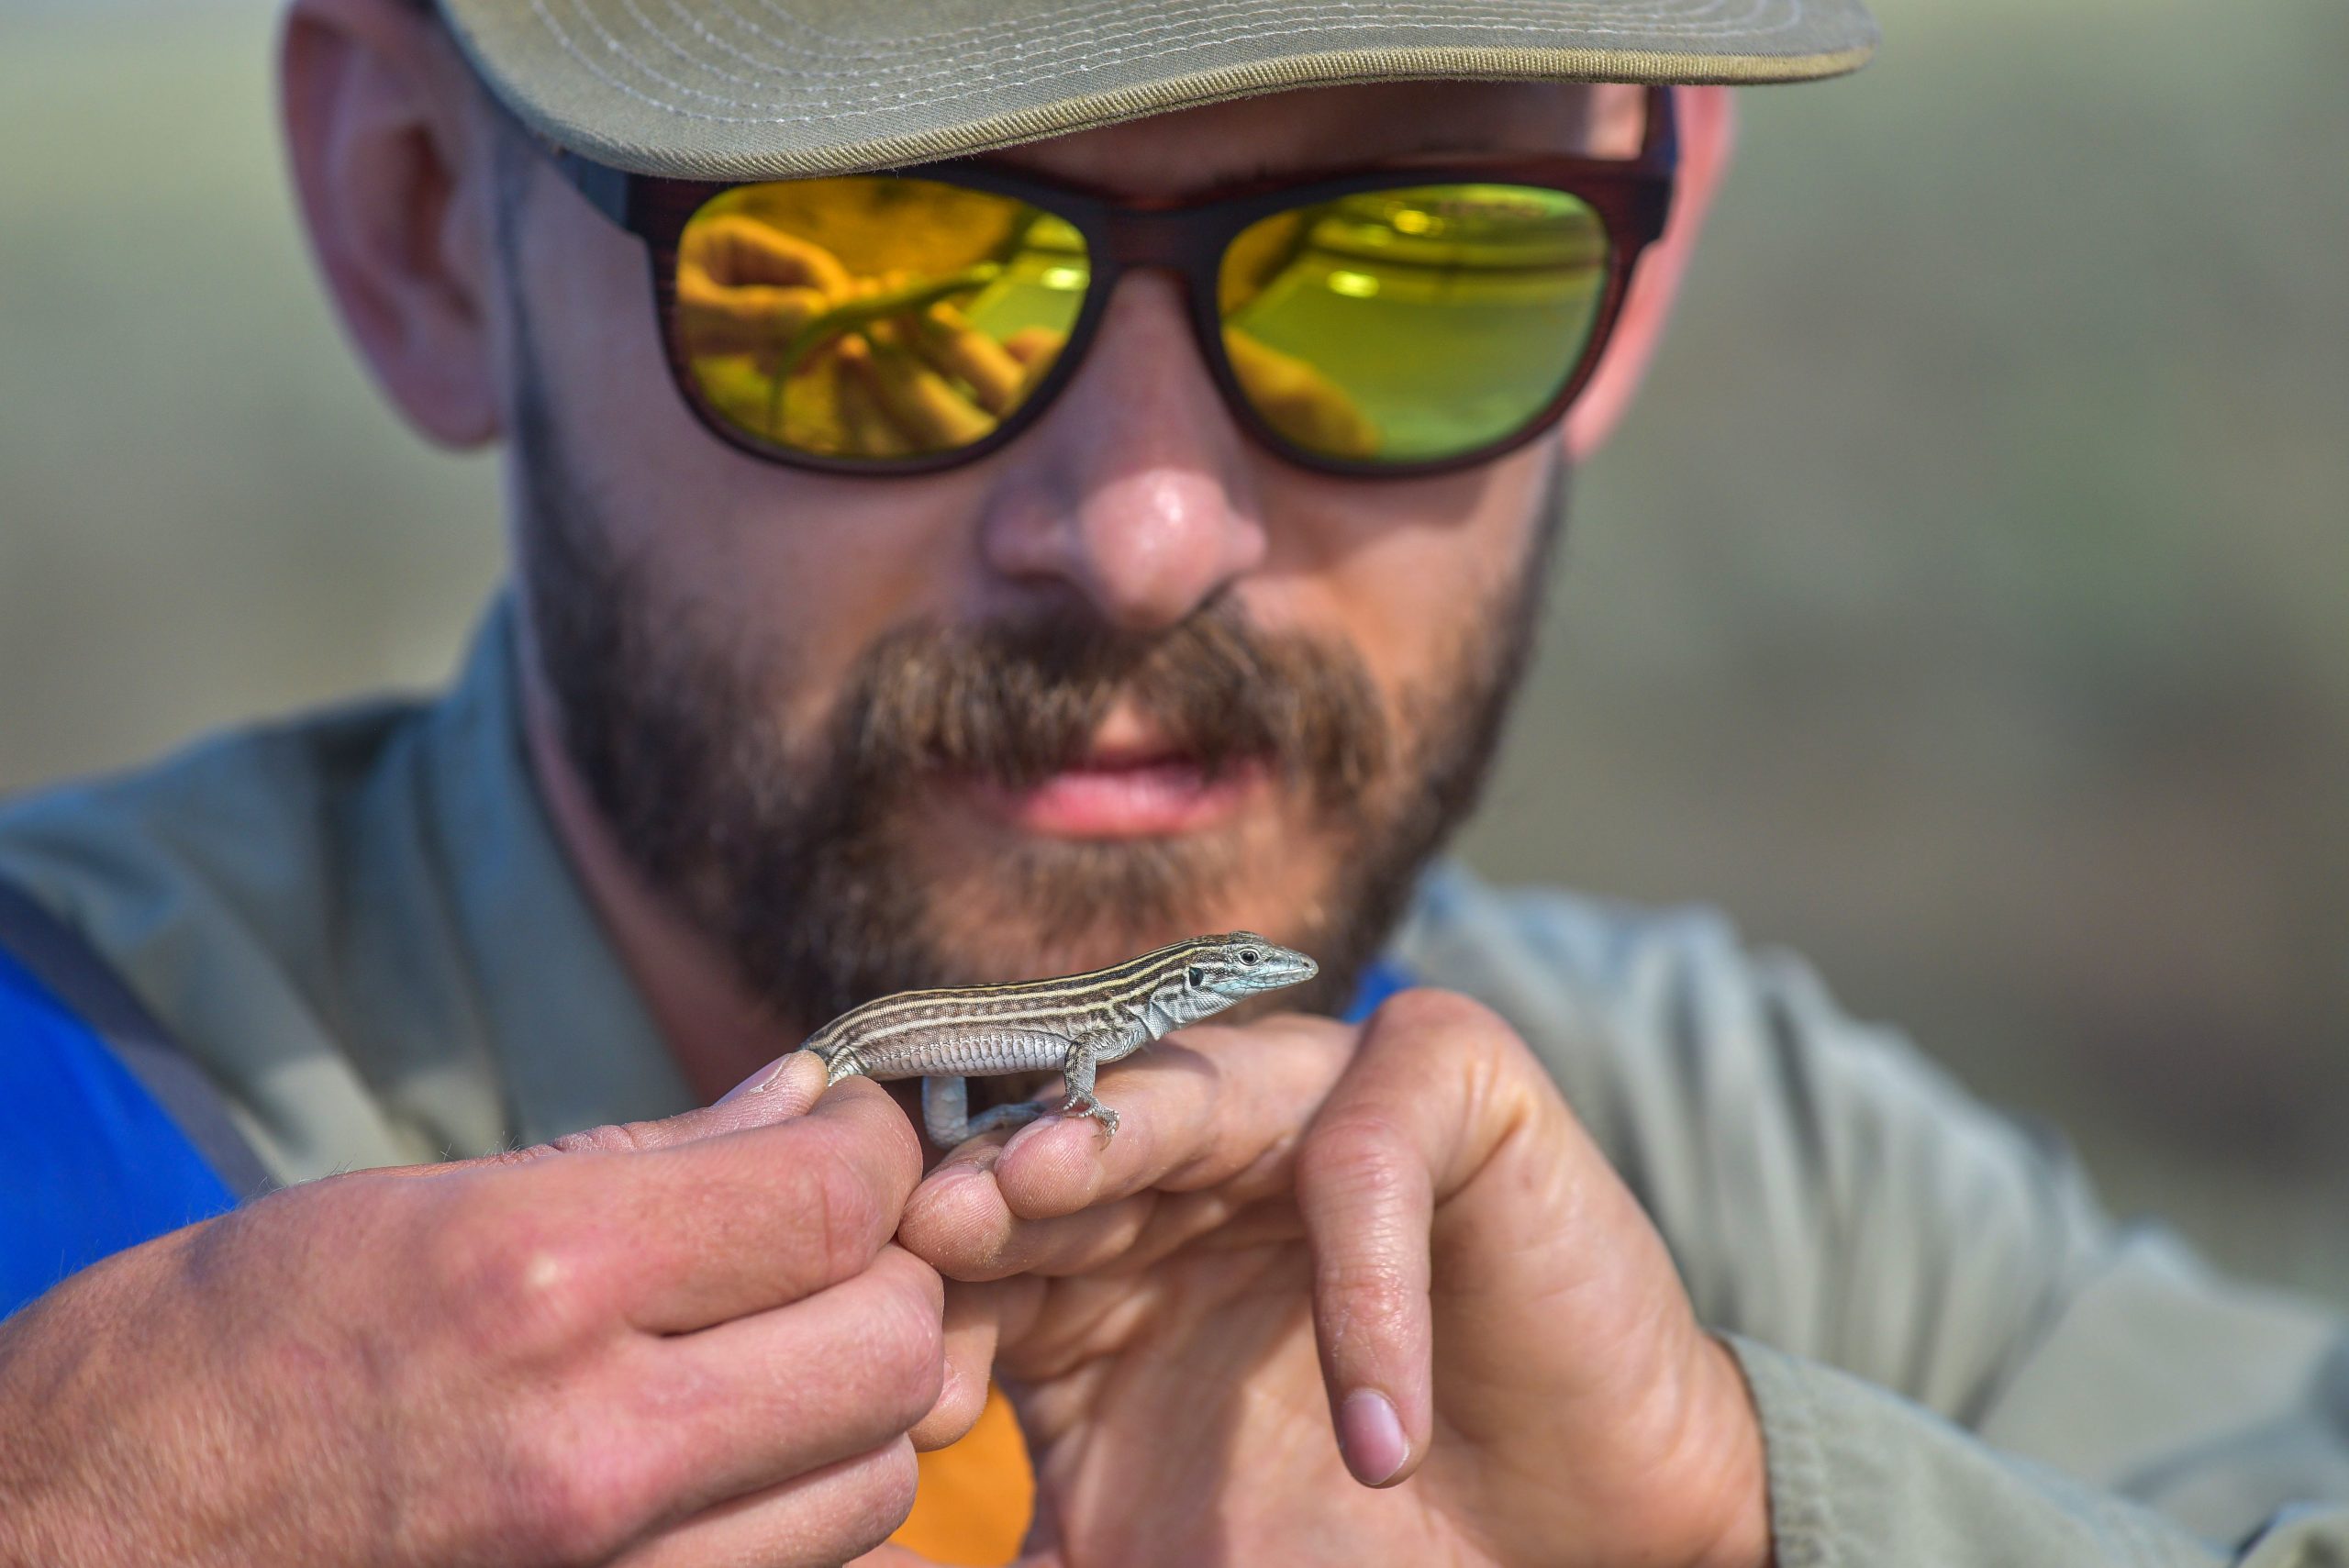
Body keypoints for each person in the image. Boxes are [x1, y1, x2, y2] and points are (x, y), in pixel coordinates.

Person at [0, 0, 2342, 1562]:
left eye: (1399, 266)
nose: (1140, 534)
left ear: (1637, 267)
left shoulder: (1753, 1178)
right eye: (870, 278)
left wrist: (1757, 1512)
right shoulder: (69, 1153)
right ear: (420, 223)